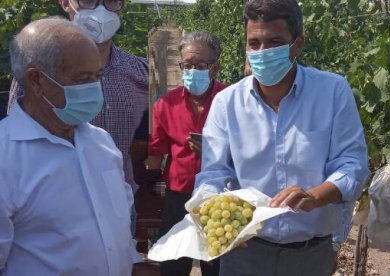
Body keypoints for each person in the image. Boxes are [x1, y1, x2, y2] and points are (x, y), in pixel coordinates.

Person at [194, 1, 371, 275]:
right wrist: (209, 208)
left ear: (297, 44)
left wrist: (316, 196)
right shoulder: (226, 104)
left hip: (310, 255)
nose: (262, 52)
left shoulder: (332, 92)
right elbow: (214, 173)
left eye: (274, 42)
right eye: (254, 43)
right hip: (245, 254)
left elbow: (353, 163)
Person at [0, 18, 139, 275]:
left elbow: (116, 225)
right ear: (36, 81)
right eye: (83, 78)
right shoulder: (6, 158)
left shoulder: (101, 142)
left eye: (97, 76)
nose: (95, 88)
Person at [7, 0, 148, 194]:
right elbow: (16, 144)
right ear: (65, 3)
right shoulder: (39, 74)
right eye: (89, 0)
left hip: (119, 197)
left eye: (112, 1)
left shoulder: (141, 73)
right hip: (52, 202)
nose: (101, 9)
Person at [147, 31, 227, 276]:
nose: (192, 71)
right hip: (178, 196)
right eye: (187, 65)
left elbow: (249, 150)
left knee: (216, 264)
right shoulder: (166, 104)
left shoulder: (230, 100)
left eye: (200, 65)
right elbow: (156, 152)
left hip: (220, 198)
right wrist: (151, 191)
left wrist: (216, 151)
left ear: (215, 68)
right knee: (174, 262)